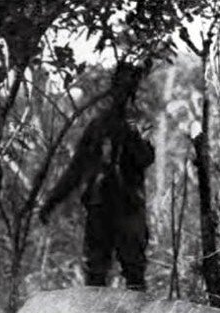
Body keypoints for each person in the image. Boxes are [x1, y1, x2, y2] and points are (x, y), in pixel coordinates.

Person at [39, 63, 155, 291]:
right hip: (100, 206)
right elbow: (76, 168)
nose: (122, 90)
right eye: (118, 84)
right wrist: (52, 201)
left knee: (134, 272)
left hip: (129, 207)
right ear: (112, 88)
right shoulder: (98, 126)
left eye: (128, 85)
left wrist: (130, 134)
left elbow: (147, 158)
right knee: (96, 272)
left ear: (133, 89)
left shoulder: (139, 124)